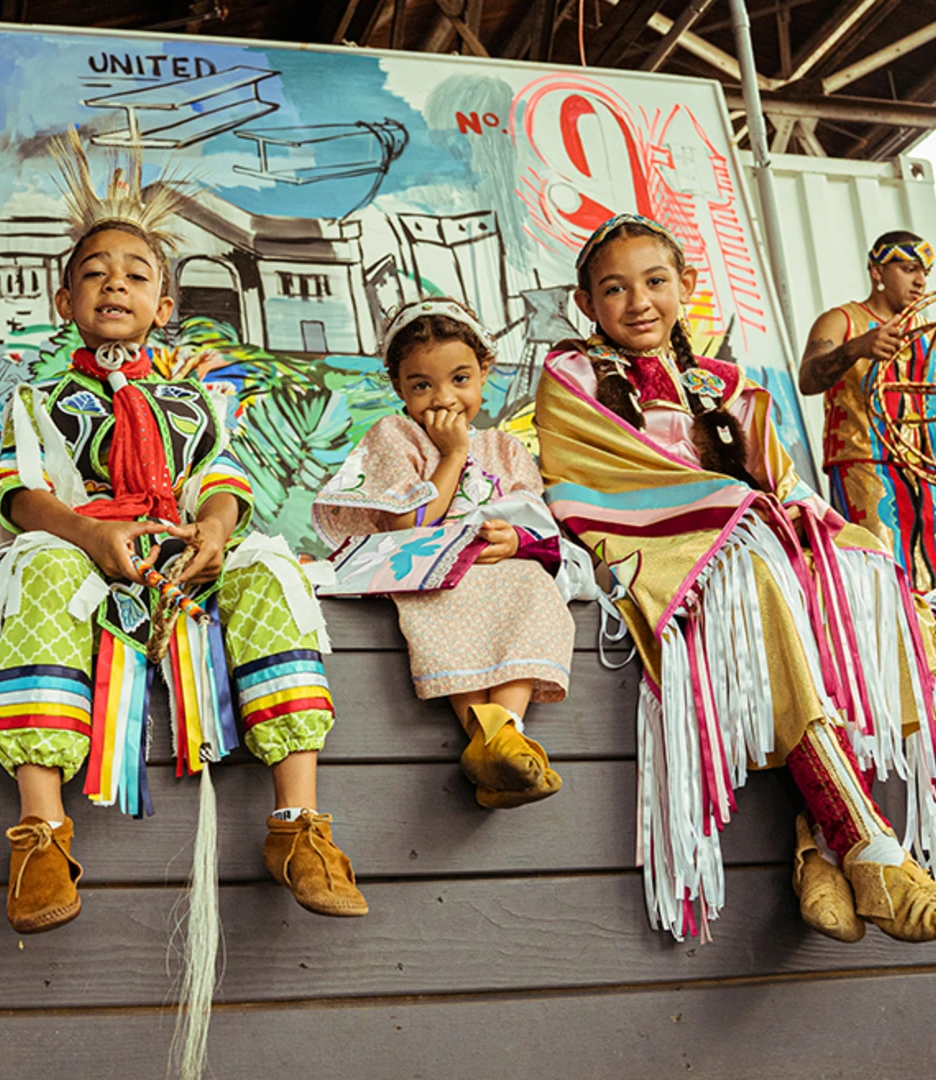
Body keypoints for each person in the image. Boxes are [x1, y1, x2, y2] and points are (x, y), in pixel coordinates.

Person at [0, 129, 367, 940]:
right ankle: (41, 833)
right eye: (92, 274)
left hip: (178, 552)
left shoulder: (196, 403)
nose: (112, 284)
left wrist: (216, 533)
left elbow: (222, 485)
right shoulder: (37, 401)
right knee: (44, 570)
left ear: (164, 305)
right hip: (87, 547)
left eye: (135, 274)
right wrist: (84, 531)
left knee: (270, 570)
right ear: (64, 304)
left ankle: (298, 823)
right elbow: (18, 493)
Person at [534, 213, 936, 944]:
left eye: (656, 281)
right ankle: (867, 842)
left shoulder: (723, 381)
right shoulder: (571, 375)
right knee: (754, 575)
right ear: (586, 303)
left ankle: (821, 845)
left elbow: (780, 479)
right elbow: (590, 477)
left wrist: (806, 520)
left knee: (862, 570)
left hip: (746, 543)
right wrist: (737, 511)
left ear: (686, 286)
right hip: (658, 550)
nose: (639, 301)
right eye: (615, 289)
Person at [312, 297, 574, 808]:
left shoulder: (505, 447)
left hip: (499, 570)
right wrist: (452, 454)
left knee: (534, 590)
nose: (443, 397)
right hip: (430, 571)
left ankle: (500, 738)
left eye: (460, 379)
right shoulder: (396, 436)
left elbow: (537, 529)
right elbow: (412, 526)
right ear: (399, 389)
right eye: (421, 385)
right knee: (447, 600)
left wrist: (517, 541)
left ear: (485, 373)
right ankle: (497, 744)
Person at [798, 231, 934, 592]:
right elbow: (808, 381)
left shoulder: (924, 333)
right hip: (864, 464)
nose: (921, 280)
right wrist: (855, 348)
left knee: (929, 578)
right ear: (877, 272)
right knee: (880, 577)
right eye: (909, 269)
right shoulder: (841, 320)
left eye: (925, 272)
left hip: (924, 470)